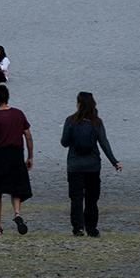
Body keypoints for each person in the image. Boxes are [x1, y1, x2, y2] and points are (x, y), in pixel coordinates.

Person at [59, 91, 121, 236]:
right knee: (92, 199)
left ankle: (78, 228)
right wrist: (114, 161)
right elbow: (104, 143)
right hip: (93, 166)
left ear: (78, 104)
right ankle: (92, 229)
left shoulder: (70, 120)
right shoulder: (97, 122)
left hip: (74, 166)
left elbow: (64, 143)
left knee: (76, 198)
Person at [0, 84, 32, 234]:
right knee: (15, 188)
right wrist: (30, 156)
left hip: (0, 155)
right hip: (17, 154)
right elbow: (28, 135)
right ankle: (17, 213)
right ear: (8, 98)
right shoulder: (18, 114)